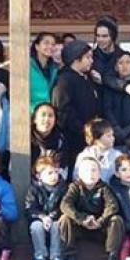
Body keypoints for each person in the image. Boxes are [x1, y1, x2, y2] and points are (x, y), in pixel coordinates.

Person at [58, 157, 125, 260]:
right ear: (79, 174)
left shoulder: (104, 188)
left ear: (99, 173)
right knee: (65, 219)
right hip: (80, 226)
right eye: (86, 171)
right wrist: (81, 219)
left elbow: (112, 206)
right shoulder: (75, 187)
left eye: (94, 170)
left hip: (100, 228)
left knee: (116, 220)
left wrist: (100, 221)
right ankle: (69, 258)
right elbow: (65, 204)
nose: (90, 174)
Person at [52, 40, 100, 169]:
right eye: (88, 57)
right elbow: (63, 110)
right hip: (73, 138)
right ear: (76, 59)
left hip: (89, 135)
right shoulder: (65, 80)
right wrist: (82, 129)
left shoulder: (86, 77)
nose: (91, 61)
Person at [25, 156, 67, 260]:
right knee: (35, 227)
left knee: (57, 226)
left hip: (55, 218)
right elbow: (30, 208)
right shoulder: (34, 189)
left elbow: (64, 206)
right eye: (49, 173)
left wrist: (51, 217)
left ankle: (56, 257)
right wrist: (42, 217)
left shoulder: (63, 188)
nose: (54, 176)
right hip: (39, 219)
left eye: (56, 172)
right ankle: (40, 256)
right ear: (39, 176)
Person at [73, 118, 121, 184]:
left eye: (112, 135)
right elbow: (76, 177)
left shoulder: (118, 156)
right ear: (96, 139)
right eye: (108, 136)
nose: (113, 138)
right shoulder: (84, 156)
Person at [30, 102, 67, 175]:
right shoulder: (26, 139)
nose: (47, 119)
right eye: (43, 115)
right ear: (35, 119)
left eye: (50, 116)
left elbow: (62, 169)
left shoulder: (60, 141)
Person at [30, 32, 59, 114]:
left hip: (49, 114)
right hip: (31, 113)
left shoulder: (55, 68)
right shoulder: (27, 66)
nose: (50, 46)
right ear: (37, 46)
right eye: (46, 43)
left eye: (53, 44)